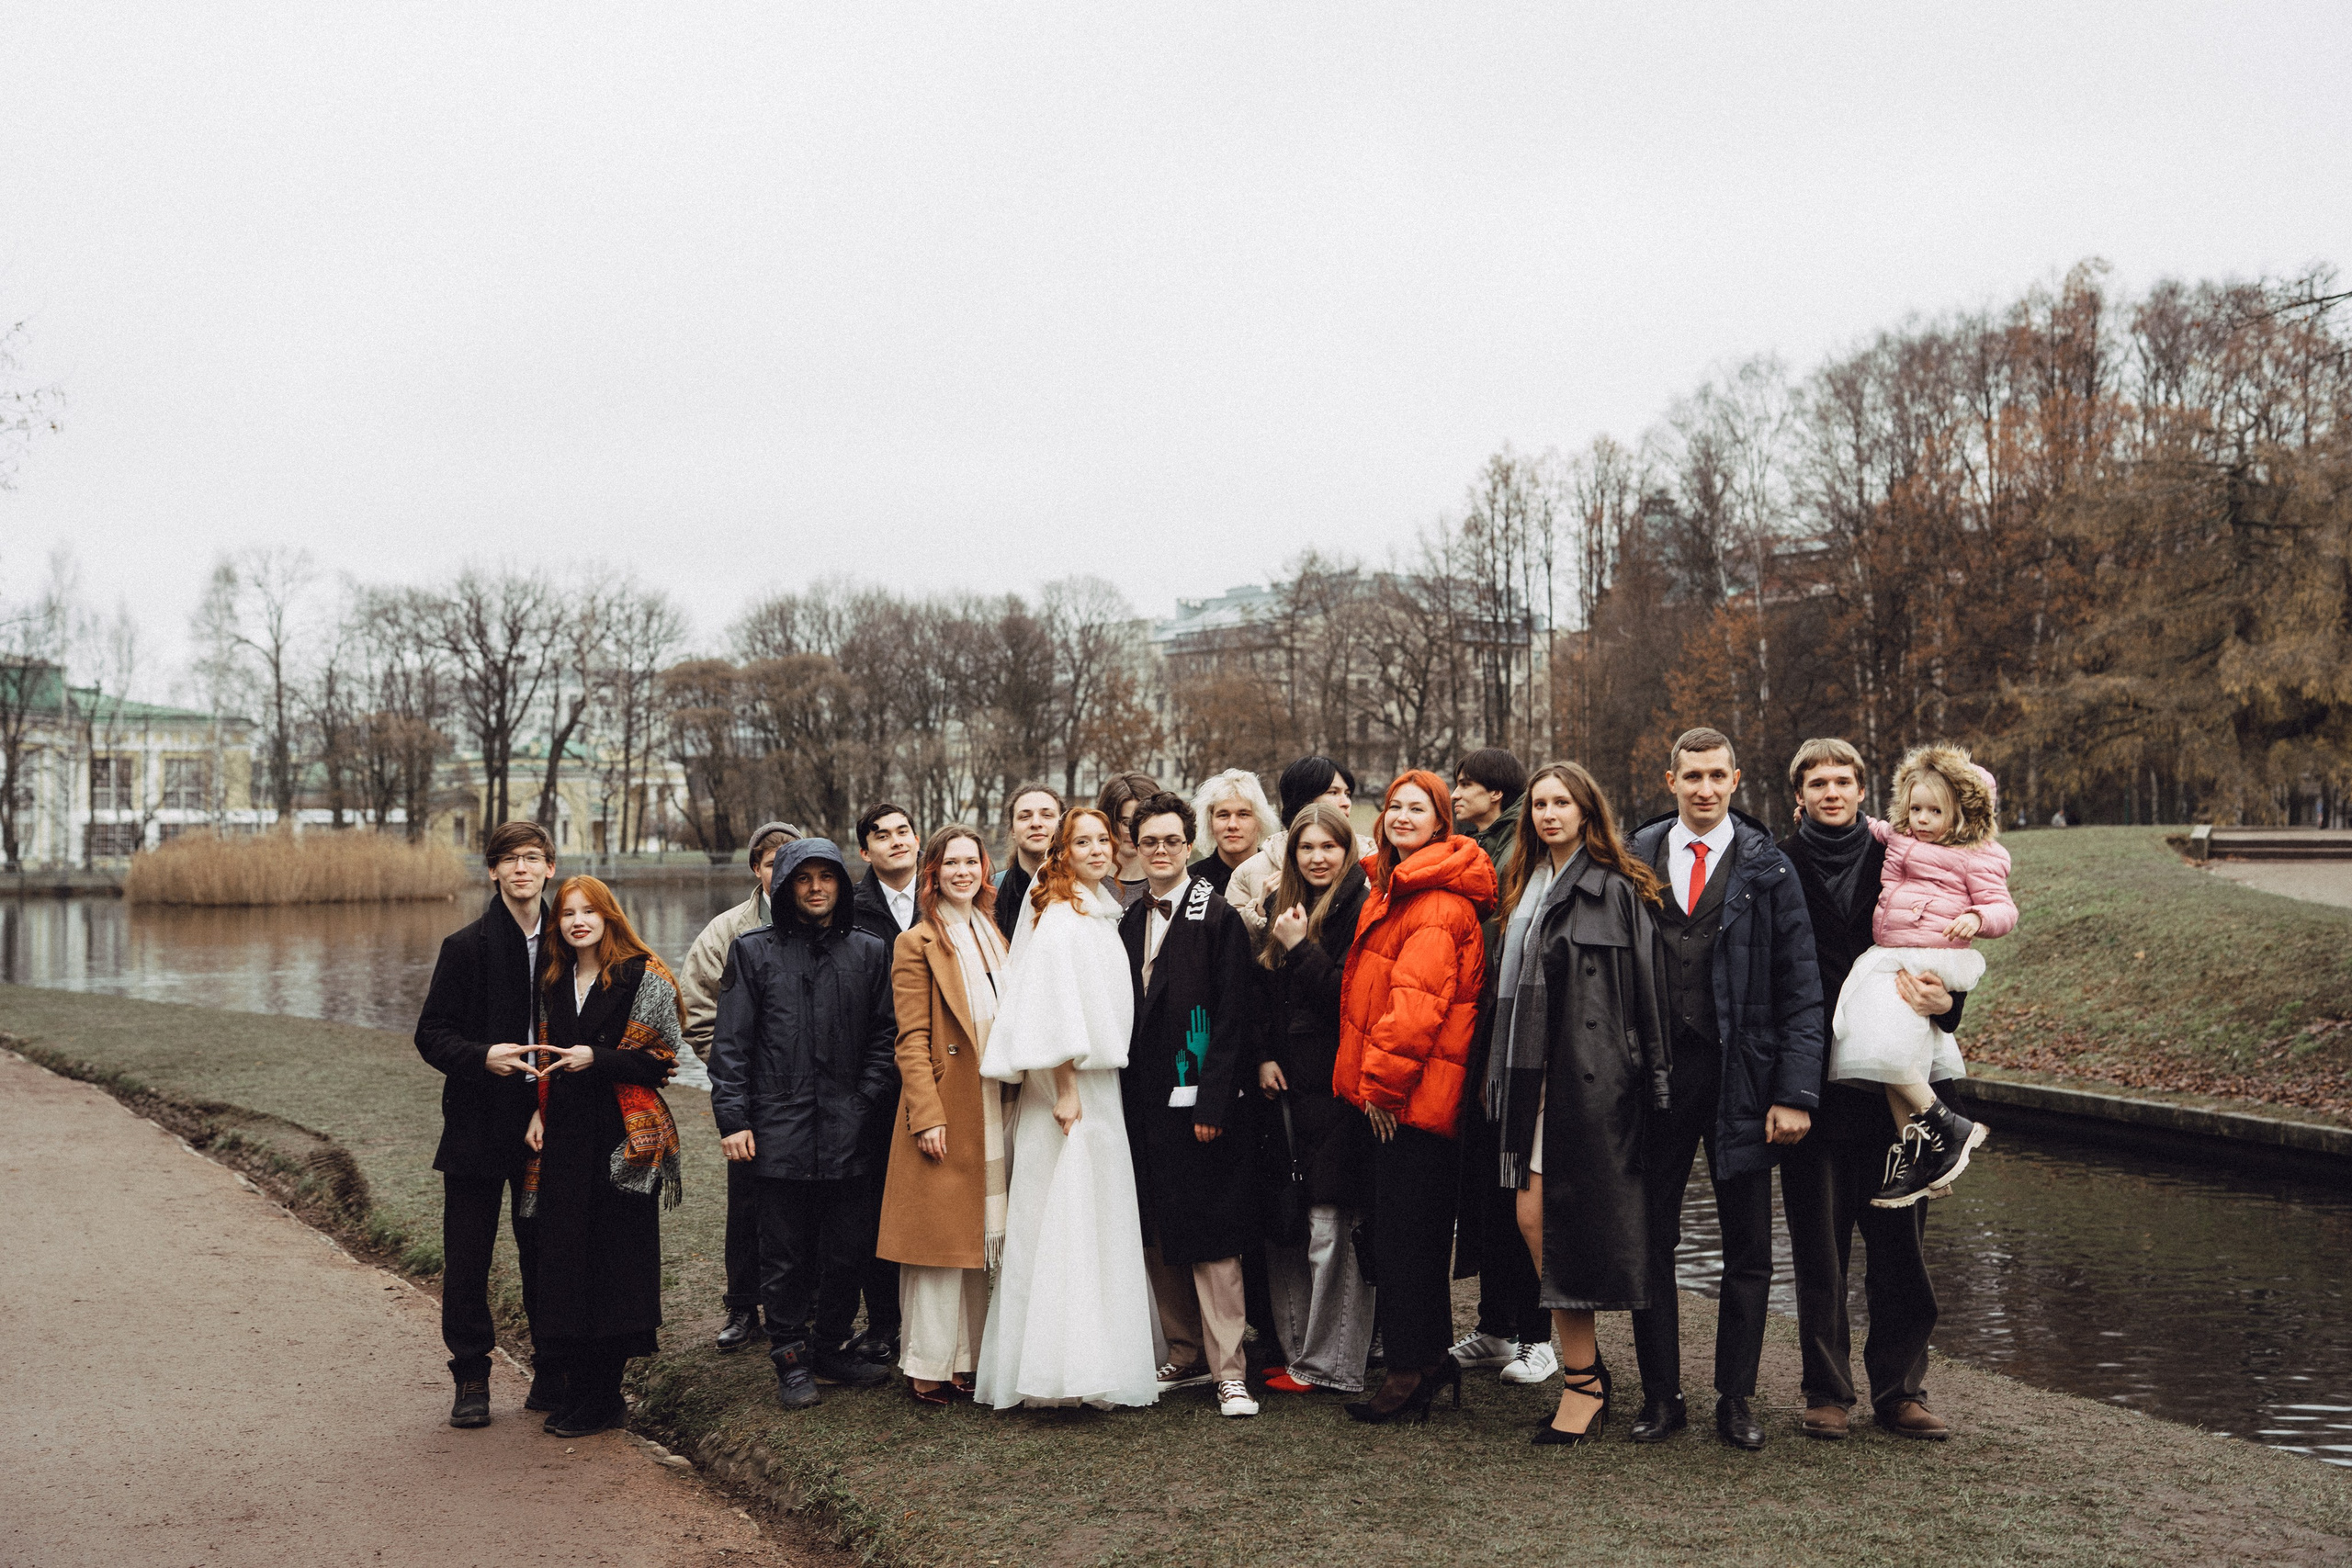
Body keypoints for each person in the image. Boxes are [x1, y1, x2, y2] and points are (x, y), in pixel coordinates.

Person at [1626, 727, 1826, 1451]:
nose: (1704, 788)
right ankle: (1660, 1395)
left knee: (1747, 1245)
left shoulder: (1769, 868)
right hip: (1656, 1080)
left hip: (1744, 1077)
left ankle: (1735, 1399)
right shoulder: (1634, 859)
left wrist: (1796, 1092)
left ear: (1736, 779)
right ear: (1669, 778)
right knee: (1651, 1238)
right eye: (1692, 776)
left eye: (1717, 776)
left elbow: (1802, 989)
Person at [1780, 738, 1966, 1442]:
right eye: (1818, 782)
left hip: (1897, 1085)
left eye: (1844, 780)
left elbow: (1945, 949)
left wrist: (1946, 1004)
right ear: (1799, 795)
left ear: (1862, 791)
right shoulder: (1778, 863)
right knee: (1820, 1256)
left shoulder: (1904, 856)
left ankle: (1900, 1389)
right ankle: (1827, 1391)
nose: (1832, 792)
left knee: (1902, 1255)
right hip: (1814, 1092)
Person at [1482, 764, 1671, 1445]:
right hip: (1535, 1081)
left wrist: (1650, 1084)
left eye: (1562, 802)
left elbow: (1644, 996)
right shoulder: (1525, 886)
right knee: (1535, 1219)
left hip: (1591, 1086)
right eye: (1539, 803)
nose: (1548, 813)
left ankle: (1585, 1382)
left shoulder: (1616, 889)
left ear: (1589, 811)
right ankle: (1585, 1376)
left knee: (1547, 1221)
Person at [969, 807, 1159, 1410]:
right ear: (1063, 850)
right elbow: (1049, 1010)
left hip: (1099, 1084)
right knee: (1062, 1218)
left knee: (1094, 1217)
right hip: (1068, 1088)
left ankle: (1095, 1359)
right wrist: (1068, 1088)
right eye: (1084, 841)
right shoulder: (1059, 919)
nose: (1099, 849)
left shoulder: (1099, 910)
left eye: (1105, 839)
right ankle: (1057, 1369)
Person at [709, 837, 900, 1409]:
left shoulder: (869, 952)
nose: (816, 888)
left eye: (827, 877)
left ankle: (829, 1346)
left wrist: (863, 1100)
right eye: (804, 878)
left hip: (850, 1128)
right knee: (785, 1249)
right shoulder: (753, 952)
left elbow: (885, 1036)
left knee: (848, 1248)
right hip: (778, 1129)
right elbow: (732, 1046)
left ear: (841, 885)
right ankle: (789, 1353)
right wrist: (735, 1119)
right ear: (786, 886)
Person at [1333, 770, 1497, 1425]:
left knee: (1407, 1241)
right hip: (1402, 1097)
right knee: (1408, 1236)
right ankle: (1428, 1359)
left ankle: (1410, 1369)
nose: (1402, 815)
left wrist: (1380, 1090)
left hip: (1410, 1103)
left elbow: (1415, 1010)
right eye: (1394, 806)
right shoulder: (1395, 888)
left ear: (1440, 823)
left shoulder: (1434, 901)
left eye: (1418, 808)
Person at [518, 875, 684, 1438]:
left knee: (616, 1265)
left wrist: (599, 1057)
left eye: (589, 911)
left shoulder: (645, 975)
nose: (578, 921)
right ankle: (579, 1388)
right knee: (567, 1262)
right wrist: (538, 1110)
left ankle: (605, 1396)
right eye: (567, 914)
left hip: (620, 1141)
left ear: (610, 915)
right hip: (564, 1133)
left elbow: (661, 1063)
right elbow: (543, 1056)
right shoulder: (555, 980)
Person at [1119, 791, 1262, 1418]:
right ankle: (1184, 1350)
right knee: (1158, 1229)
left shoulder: (1216, 914)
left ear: (1189, 843)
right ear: (1135, 847)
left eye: (1171, 841)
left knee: (1215, 1234)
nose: (1160, 851)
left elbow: (1234, 1013)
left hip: (1203, 1098)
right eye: (1149, 841)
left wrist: (1214, 1100)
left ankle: (1230, 1368)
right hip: (1143, 1102)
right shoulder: (1126, 921)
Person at [415, 819, 558, 1429]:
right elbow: (431, 1035)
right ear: (493, 870)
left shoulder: (572, 941)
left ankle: (552, 1370)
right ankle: (471, 1374)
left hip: (545, 1124)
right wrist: (482, 1056)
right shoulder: (465, 945)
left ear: (550, 867)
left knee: (545, 1253)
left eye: (533, 857)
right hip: (476, 1122)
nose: (522, 868)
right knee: (468, 1255)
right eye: (509, 859)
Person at [1828, 743, 2014, 1207]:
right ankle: (1921, 1153)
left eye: (1935, 811)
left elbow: (2003, 908)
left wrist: (1977, 917)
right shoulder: (1901, 837)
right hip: (1895, 952)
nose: (1923, 819)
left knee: (1874, 1041)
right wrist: (1842, 816)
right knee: (1893, 1054)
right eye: (1916, 809)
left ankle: (1949, 1124)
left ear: (1961, 814)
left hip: (1932, 954)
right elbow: (1874, 827)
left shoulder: (1977, 854)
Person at [878, 827, 1011, 1404]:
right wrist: (924, 1115)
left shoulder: (995, 932)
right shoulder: (917, 942)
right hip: (948, 1104)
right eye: (950, 862)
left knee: (981, 1237)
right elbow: (909, 1039)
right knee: (939, 1245)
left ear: (985, 869)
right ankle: (927, 1364)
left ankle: (972, 1359)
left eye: (971, 862)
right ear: (932, 873)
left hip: (997, 1099)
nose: (963, 872)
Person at [1249, 799, 1375, 1396]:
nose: (1318, 856)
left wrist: (1300, 946)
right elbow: (1269, 996)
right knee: (1298, 1225)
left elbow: (1350, 1001)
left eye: (1329, 845)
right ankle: (1306, 1353)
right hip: (1293, 1088)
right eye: (1307, 847)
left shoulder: (1363, 906)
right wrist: (1265, 1053)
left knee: (1335, 1228)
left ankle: (1336, 1363)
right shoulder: (1287, 906)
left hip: (1339, 1085)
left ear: (1346, 849)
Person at [1446, 745, 1555, 1390]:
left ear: (1496, 793)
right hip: (1487, 1036)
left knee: (1521, 1191)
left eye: (1467, 784)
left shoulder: (1509, 852)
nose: (1458, 794)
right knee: (1493, 1187)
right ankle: (1498, 1324)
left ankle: (1536, 1332)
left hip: (1511, 1035)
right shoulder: (1483, 843)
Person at [674, 819, 800, 1354]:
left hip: (807, 1093)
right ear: (757, 869)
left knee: (802, 1200)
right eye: (771, 863)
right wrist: (732, 1075)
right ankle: (743, 1305)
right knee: (746, 1200)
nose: (782, 872)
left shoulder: (823, 919)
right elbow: (696, 1007)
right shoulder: (728, 930)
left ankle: (798, 1302)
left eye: (791, 861)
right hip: (750, 1091)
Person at [846, 802, 922, 1364]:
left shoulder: (946, 893)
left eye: (903, 831)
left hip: (938, 1067)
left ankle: (936, 1321)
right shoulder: (852, 909)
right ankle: (883, 1322)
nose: (895, 841)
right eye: (882, 835)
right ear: (865, 850)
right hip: (873, 1074)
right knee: (874, 1200)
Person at [1226, 756, 1363, 935]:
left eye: (1347, 794)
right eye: (1333, 792)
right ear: (1303, 799)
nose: (1346, 803)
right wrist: (1260, 912)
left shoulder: (1373, 860)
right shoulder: (1248, 873)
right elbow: (1231, 946)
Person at [1187, 767, 1281, 899]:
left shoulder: (1280, 877)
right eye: (1223, 815)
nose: (1232, 825)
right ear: (1210, 822)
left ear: (1260, 821)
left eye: (1243, 814)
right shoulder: (1190, 882)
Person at [992, 784, 1064, 942]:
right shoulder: (991, 891)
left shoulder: (1084, 890)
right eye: (1025, 816)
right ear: (1012, 830)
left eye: (1047, 815)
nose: (1036, 823)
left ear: (1063, 826)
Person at [1095, 771, 1162, 908]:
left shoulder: (1167, 878)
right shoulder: (1088, 879)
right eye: (1127, 823)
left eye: (1142, 822)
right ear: (1107, 821)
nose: (1134, 833)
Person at [1453, 747, 1528, 868]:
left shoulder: (1519, 851)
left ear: (1496, 792)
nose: (1454, 795)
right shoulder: (1468, 846)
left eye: (1465, 785)